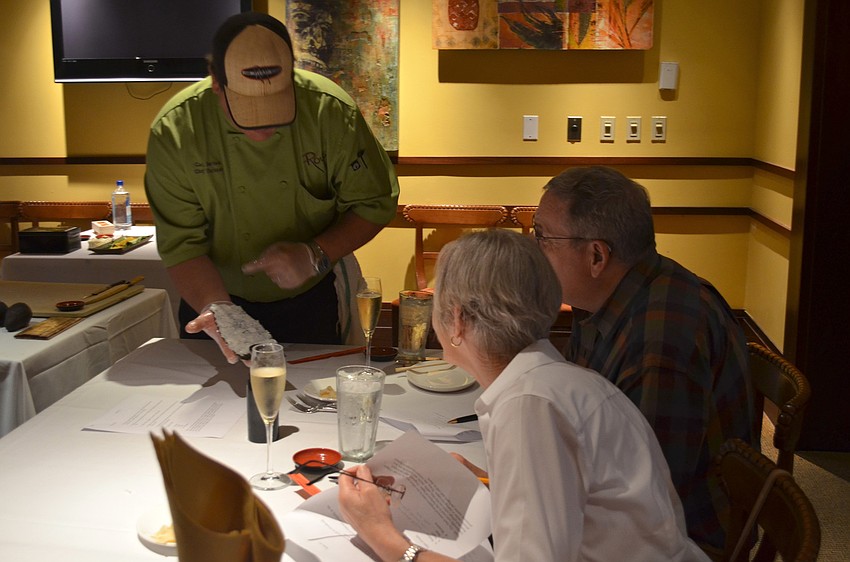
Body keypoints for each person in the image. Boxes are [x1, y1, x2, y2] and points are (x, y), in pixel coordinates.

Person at [337, 229, 709, 562]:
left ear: (457, 320)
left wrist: (382, 536)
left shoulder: (530, 405)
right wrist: (486, 480)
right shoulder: (554, 383)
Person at [144, 12, 398, 362]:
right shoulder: (176, 131)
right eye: (248, 111)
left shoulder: (330, 112)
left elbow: (375, 204)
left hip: (312, 300)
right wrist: (220, 310)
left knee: (317, 404)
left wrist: (316, 253)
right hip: (215, 299)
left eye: (277, 105)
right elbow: (181, 245)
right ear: (217, 83)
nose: (264, 128)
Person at [533, 165, 755, 552]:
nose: (535, 252)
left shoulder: (663, 342)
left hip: (680, 540)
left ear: (597, 256)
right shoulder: (605, 296)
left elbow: (647, 495)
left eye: (543, 237)